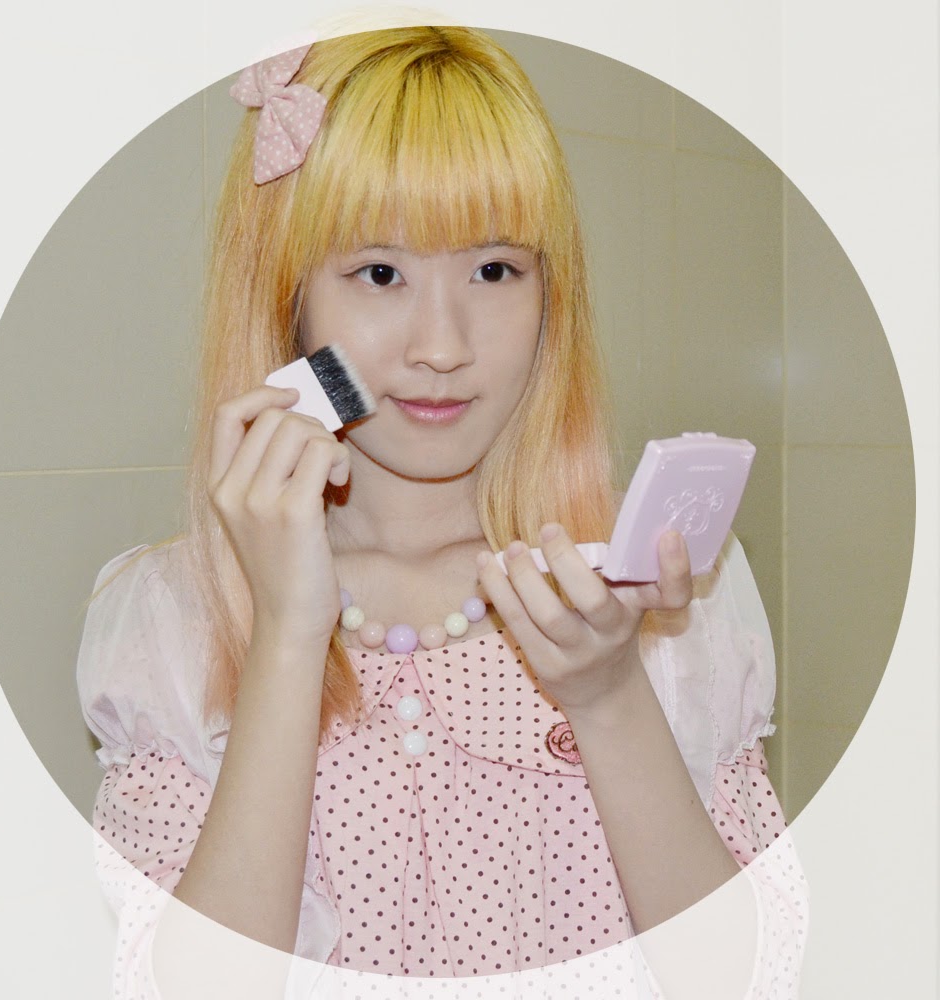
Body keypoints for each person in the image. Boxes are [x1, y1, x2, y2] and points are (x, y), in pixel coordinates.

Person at [77, 26, 806, 999]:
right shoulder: (172, 619)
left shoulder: (653, 595)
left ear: (552, 296)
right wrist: (288, 632)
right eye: (380, 273)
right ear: (289, 301)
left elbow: (747, 978)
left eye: (494, 270)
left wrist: (607, 694)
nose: (442, 345)